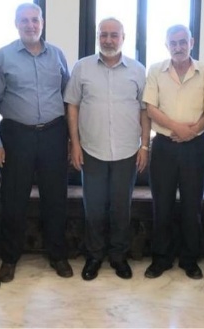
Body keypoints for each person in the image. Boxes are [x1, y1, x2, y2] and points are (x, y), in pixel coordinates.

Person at [0, 3, 71, 283]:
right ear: (16, 24)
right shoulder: (2, 57)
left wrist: (71, 139)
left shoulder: (57, 55)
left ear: (42, 22)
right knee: (13, 199)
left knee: (55, 198)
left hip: (53, 133)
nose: (30, 25)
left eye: (35, 20)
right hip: (17, 135)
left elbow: (68, 98)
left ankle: (58, 255)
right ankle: (9, 258)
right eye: (24, 20)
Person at [65, 17, 150, 281]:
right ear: (97, 37)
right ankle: (94, 256)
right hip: (92, 150)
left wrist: (145, 145)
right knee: (94, 208)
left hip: (127, 151)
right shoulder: (82, 67)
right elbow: (72, 105)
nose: (109, 40)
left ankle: (118, 256)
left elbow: (145, 110)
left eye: (114, 35)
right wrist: (74, 144)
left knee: (121, 208)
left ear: (124, 38)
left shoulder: (138, 70)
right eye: (104, 34)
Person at [142, 24, 204, 280]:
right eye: (173, 43)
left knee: (192, 206)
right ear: (166, 45)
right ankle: (161, 259)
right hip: (164, 147)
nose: (178, 47)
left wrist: (193, 131)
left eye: (183, 42)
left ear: (192, 42)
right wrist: (177, 127)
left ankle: (190, 260)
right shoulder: (155, 70)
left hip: (195, 147)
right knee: (162, 206)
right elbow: (150, 107)